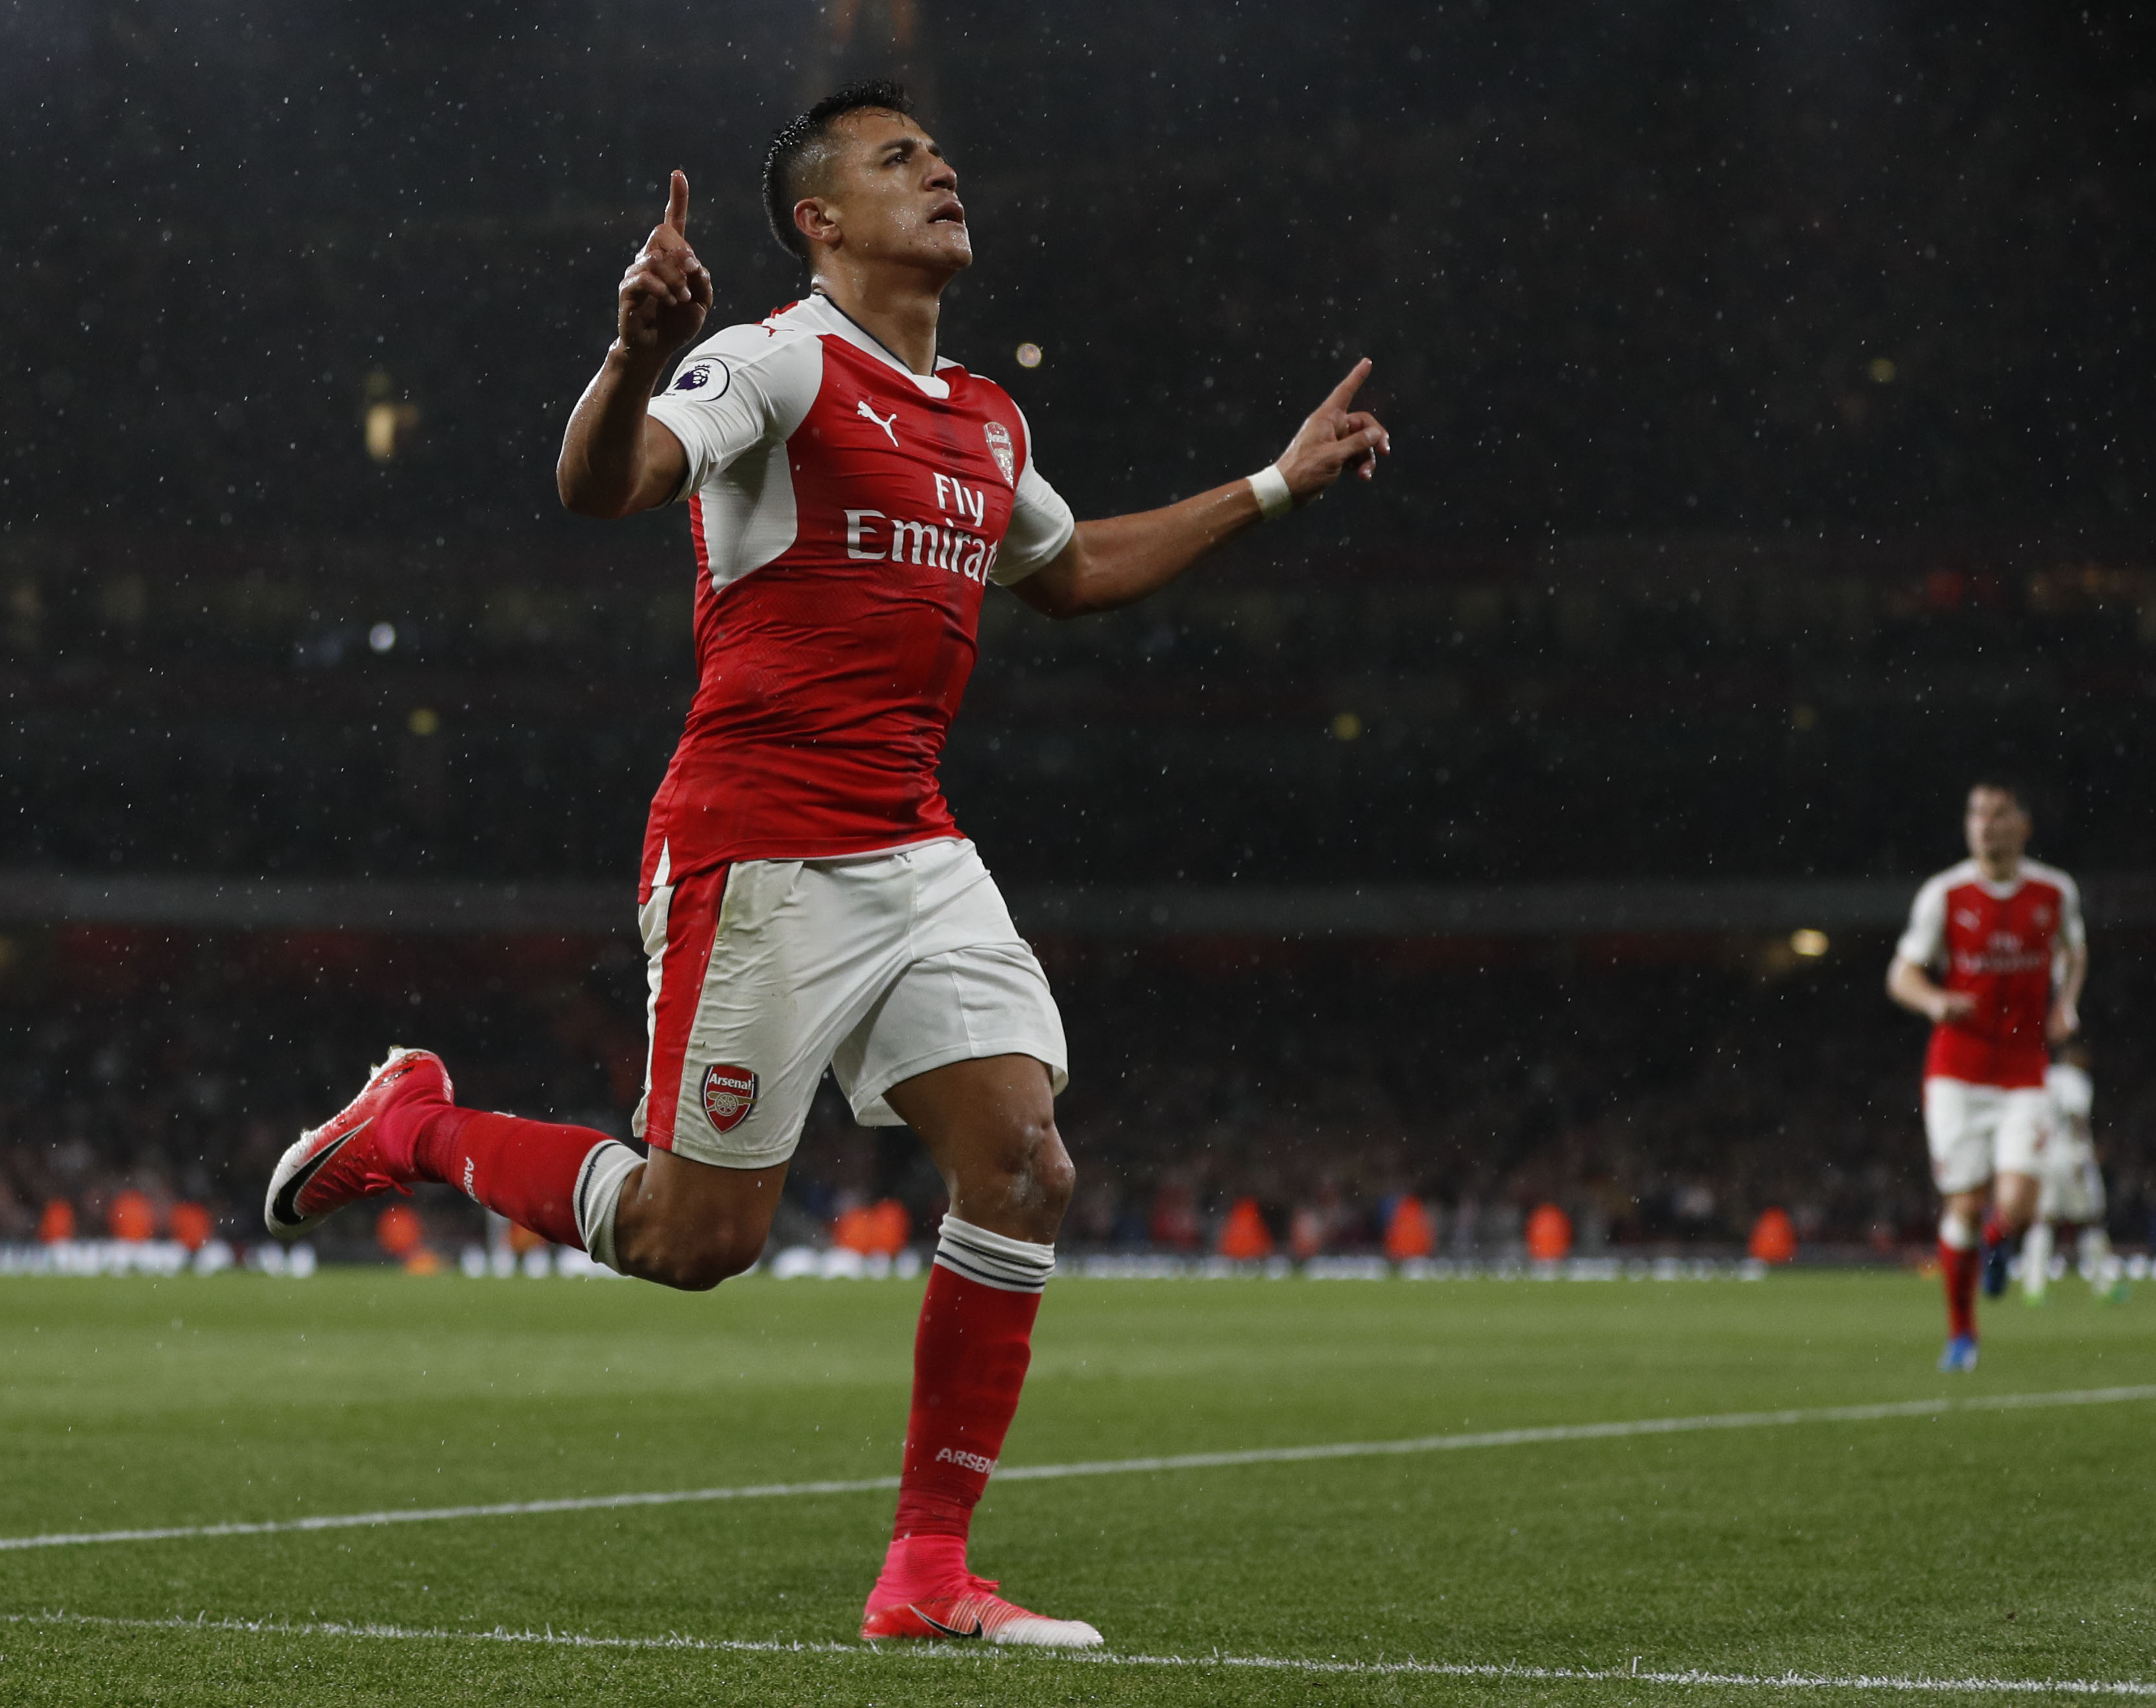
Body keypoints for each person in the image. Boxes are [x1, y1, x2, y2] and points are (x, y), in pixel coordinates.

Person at [260, 80, 1386, 1649]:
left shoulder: (988, 417)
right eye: (897, 159)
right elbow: (606, 482)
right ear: (818, 219)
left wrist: (1269, 485)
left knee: (1024, 1161)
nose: (939, 169)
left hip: (914, 844)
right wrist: (635, 344)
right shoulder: (776, 358)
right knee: (687, 1238)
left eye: (939, 151)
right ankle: (419, 1119)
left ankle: (927, 1568)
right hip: (758, 843)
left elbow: (1069, 571)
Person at [1887, 782, 2086, 1372]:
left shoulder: (2054, 891)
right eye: (1976, 813)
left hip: (2024, 1068)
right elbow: (1901, 972)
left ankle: (2000, 1244)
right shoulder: (1944, 894)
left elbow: (2075, 952)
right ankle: (1961, 1332)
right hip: (1956, 1070)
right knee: (1964, 1204)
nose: (1985, 825)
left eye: (1999, 814)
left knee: (2018, 1203)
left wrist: (2065, 1002)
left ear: (2024, 825)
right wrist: (1933, 1001)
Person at [2020, 1039, 2124, 1305]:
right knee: (2091, 1220)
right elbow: (2076, 1116)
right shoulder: (2075, 1080)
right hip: (2070, 1156)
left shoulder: (2044, 1077)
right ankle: (2104, 1285)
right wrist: (2082, 1154)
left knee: (2043, 1220)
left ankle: (2034, 1287)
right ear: (2075, 1055)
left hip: (2045, 1158)